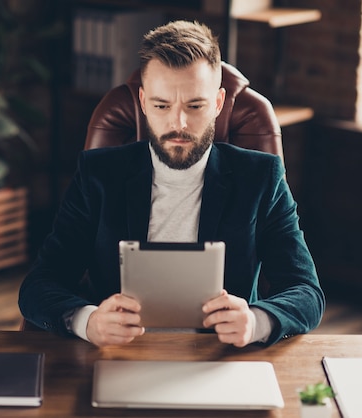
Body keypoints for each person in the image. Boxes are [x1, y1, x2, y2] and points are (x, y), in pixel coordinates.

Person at [19, 20, 324, 348]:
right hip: (118, 356)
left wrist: (255, 321)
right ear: (143, 102)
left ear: (219, 103)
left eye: (195, 106)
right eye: (162, 105)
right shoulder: (98, 175)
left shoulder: (260, 177)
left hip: (219, 358)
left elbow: (306, 292)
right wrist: (88, 321)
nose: (178, 123)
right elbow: (39, 284)